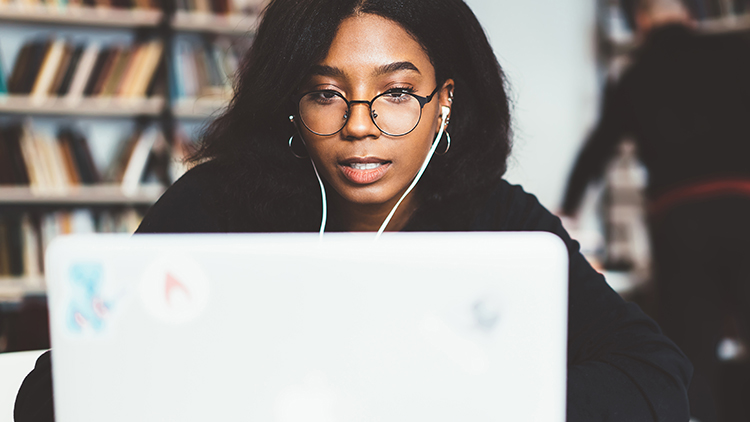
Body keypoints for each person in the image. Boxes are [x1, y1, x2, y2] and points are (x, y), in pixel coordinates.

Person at [16, 0, 692, 421]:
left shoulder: (500, 222)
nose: (360, 125)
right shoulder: (215, 203)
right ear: (292, 102)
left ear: (444, 101)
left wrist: (482, 407)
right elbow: (50, 395)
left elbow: (656, 373)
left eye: (396, 93)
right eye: (326, 94)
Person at [560, 0, 750, 421]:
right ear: (692, 14)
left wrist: (567, 210)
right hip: (744, 209)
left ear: (640, 21)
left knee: (693, 353)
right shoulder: (738, 52)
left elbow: (595, 152)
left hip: (680, 223)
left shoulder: (634, 75)